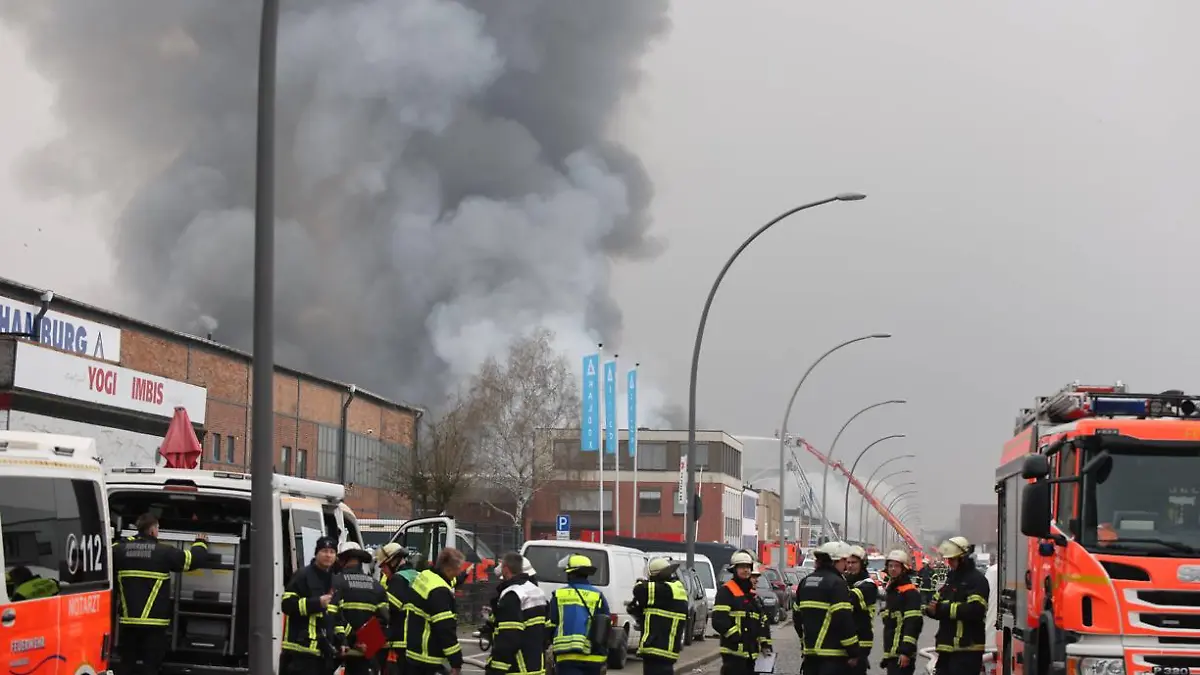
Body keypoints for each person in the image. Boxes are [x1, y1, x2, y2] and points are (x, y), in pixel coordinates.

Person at [112, 513, 213, 675]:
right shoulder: (163, 552)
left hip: (128, 622)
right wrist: (200, 543)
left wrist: (129, 539)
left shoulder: (120, 549)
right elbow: (191, 560)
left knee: (126, 665)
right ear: (152, 531)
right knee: (150, 666)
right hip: (154, 625)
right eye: (158, 528)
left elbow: (107, 552)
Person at [793, 541, 861, 675]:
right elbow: (842, 619)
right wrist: (853, 651)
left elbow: (797, 617)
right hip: (833, 658)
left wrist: (804, 643)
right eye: (844, 561)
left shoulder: (805, 582)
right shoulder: (837, 583)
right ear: (835, 561)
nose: (846, 565)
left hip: (810, 657)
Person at [925, 536, 989, 675]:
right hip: (947, 649)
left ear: (963, 558)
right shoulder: (951, 580)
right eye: (948, 559)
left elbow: (975, 610)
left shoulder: (976, 580)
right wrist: (930, 610)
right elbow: (936, 602)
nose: (949, 563)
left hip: (967, 650)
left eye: (952, 559)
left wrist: (942, 609)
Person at [281, 536, 344, 675]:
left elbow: (338, 616)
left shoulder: (336, 581)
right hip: (300, 653)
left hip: (324, 655)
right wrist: (316, 603)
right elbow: (287, 605)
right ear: (316, 553)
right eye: (324, 551)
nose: (328, 555)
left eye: (332, 552)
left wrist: (342, 641)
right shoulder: (302, 575)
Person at [485, 552, 549, 675]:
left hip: (517, 668)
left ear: (505, 569)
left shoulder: (513, 594)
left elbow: (508, 636)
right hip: (536, 668)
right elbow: (546, 630)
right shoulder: (538, 592)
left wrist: (496, 669)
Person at [547, 554, 612, 675]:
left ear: (570, 573)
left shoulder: (558, 595)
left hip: (567, 656)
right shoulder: (598, 595)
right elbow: (606, 624)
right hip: (593, 656)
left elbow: (551, 624)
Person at [405, 548, 465, 675]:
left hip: (413, 651)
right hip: (428, 656)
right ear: (448, 569)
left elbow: (449, 580)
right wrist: (456, 661)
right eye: (458, 569)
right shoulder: (440, 592)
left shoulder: (425, 576)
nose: (459, 573)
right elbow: (445, 628)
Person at [628, 557, 689, 675]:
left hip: (658, 647)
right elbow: (655, 613)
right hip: (664, 648)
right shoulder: (673, 589)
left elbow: (639, 590)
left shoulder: (667, 589)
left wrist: (641, 582)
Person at [712, 550, 769, 675]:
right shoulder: (726, 591)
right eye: (742, 567)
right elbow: (718, 620)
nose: (746, 570)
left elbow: (761, 623)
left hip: (752, 655)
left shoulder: (751, 594)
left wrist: (765, 644)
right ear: (734, 570)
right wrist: (736, 637)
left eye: (748, 567)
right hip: (733, 655)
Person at [336, 542, 389, 675]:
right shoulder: (377, 586)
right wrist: (366, 642)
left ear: (343, 560)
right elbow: (384, 620)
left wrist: (353, 639)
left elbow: (333, 616)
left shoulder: (335, 582)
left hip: (340, 652)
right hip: (366, 654)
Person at [880, 550, 923, 675]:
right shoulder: (892, 591)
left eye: (897, 566)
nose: (892, 569)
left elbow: (913, 624)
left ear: (904, 569)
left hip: (902, 655)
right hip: (892, 654)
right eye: (890, 566)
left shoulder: (910, 592)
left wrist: (906, 652)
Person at [380, 544, 418, 675]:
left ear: (393, 561)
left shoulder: (398, 579)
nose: (382, 570)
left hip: (401, 640)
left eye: (384, 565)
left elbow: (388, 610)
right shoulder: (417, 575)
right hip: (416, 642)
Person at [843, 545, 879, 675]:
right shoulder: (845, 581)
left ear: (862, 564)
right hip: (845, 642)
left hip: (861, 642)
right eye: (848, 562)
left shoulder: (868, 585)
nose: (850, 566)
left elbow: (850, 598)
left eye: (854, 563)